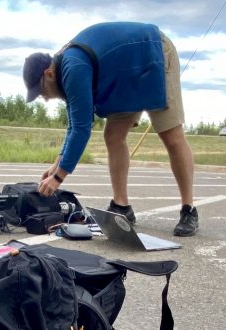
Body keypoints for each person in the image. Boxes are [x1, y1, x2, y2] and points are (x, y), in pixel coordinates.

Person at [23, 21, 199, 237]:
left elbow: (81, 129)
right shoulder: (63, 69)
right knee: (113, 135)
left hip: (153, 53)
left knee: (170, 135)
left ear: (49, 74)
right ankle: (122, 207)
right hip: (125, 75)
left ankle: (189, 209)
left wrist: (58, 178)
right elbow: (73, 125)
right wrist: (57, 164)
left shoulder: (73, 68)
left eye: (41, 92)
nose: (45, 99)